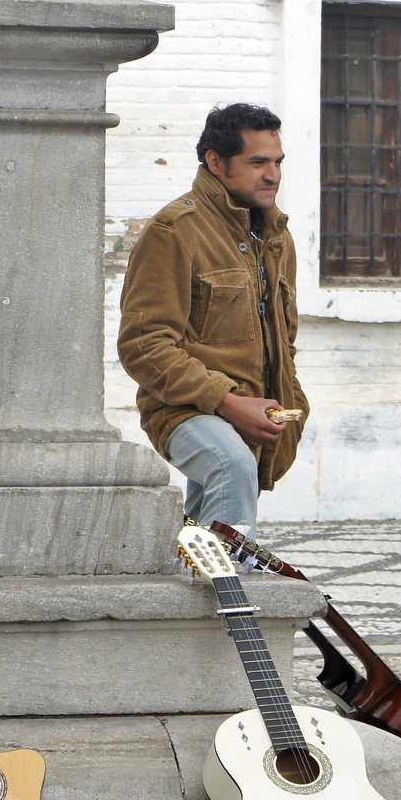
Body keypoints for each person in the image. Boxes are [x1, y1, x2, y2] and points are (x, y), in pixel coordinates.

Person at [118, 103, 308, 537]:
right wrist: (227, 401)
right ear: (216, 162)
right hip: (183, 409)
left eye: (277, 162)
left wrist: (289, 398)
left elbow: (284, 338)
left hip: (255, 413)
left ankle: (194, 596)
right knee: (230, 466)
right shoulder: (174, 230)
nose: (273, 175)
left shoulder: (277, 237)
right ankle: (229, 594)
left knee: (200, 541)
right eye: (257, 162)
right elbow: (143, 345)